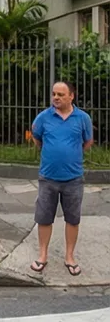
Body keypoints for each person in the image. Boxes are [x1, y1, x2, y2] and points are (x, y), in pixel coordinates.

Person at [29, 79, 93, 277]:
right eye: (54, 94)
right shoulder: (43, 117)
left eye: (60, 94)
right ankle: (42, 255)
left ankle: (70, 257)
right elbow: (36, 138)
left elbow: (87, 142)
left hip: (73, 178)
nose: (55, 97)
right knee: (44, 217)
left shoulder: (82, 118)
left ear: (71, 96)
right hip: (48, 177)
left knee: (72, 219)